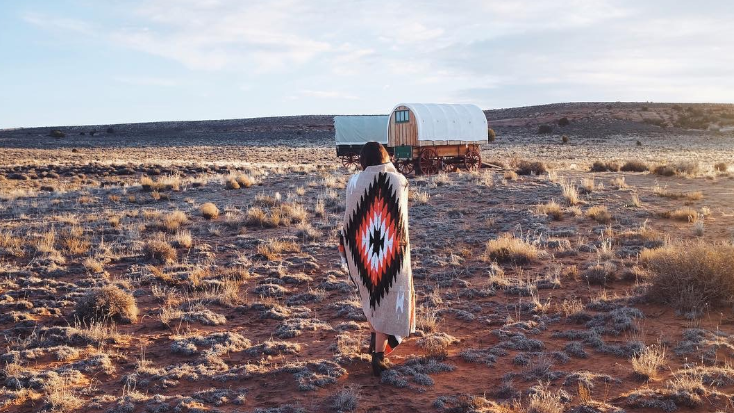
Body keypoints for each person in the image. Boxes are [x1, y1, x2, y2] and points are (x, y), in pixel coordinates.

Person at [338, 142, 415, 377]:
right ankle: (378, 355)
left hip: (362, 251)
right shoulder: (398, 182)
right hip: (392, 253)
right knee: (387, 295)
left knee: (372, 295)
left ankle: (376, 342)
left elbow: (350, 219)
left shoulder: (354, 183)